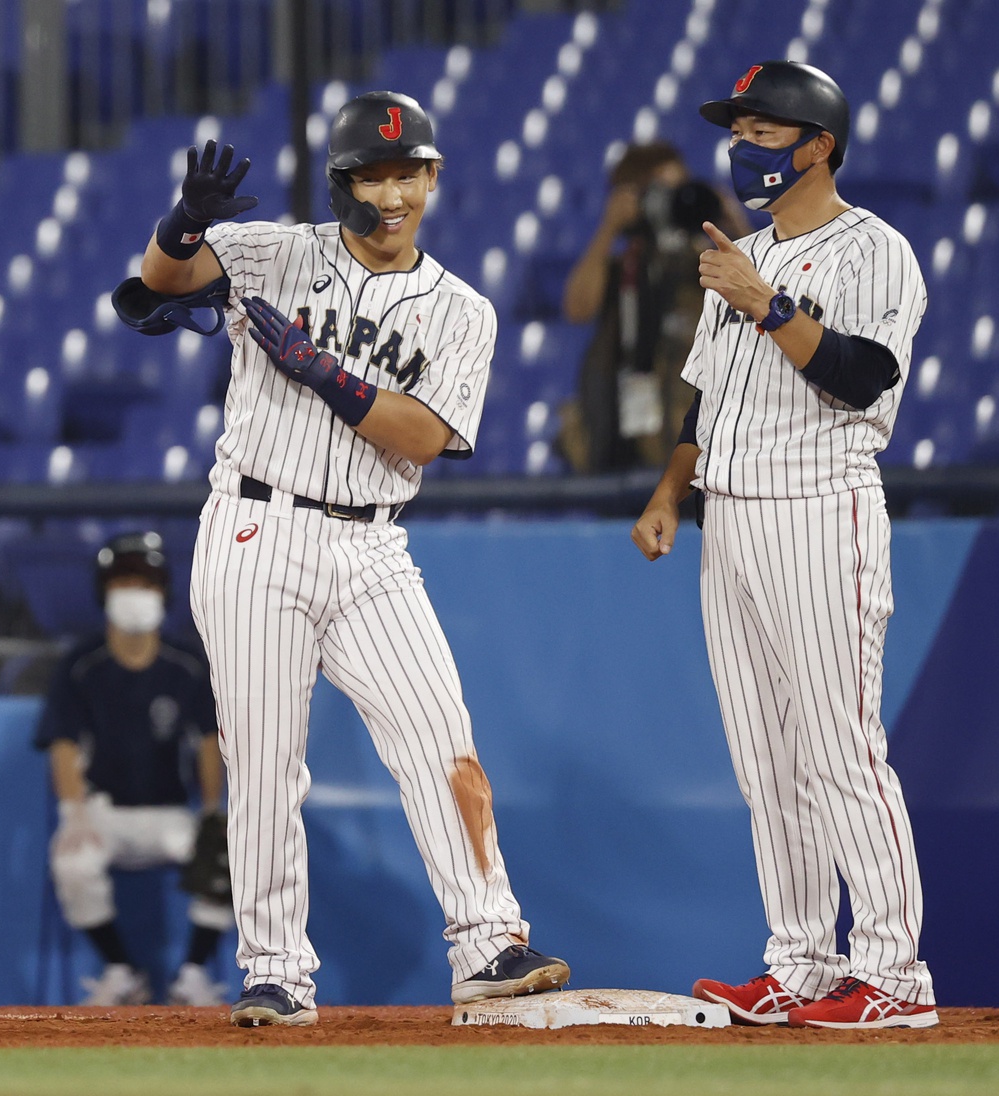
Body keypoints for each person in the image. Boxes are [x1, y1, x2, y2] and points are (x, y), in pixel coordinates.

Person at [129, 90, 569, 1027]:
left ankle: (489, 941)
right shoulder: (277, 252)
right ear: (344, 183)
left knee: (440, 738)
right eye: (374, 174)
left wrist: (326, 371)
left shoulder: (461, 311)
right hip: (256, 527)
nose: (393, 191)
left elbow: (419, 437)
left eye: (409, 172)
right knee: (264, 765)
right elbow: (158, 284)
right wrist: (185, 221)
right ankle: (276, 970)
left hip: (372, 540)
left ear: (434, 177)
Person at [631, 61, 937, 1030]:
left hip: (819, 505)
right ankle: (801, 961)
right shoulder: (744, 253)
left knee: (842, 748)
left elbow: (860, 376)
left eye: (766, 130)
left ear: (819, 144)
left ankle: (892, 971)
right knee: (767, 760)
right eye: (741, 129)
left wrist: (763, 301)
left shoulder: (874, 250)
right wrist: (668, 491)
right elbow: (705, 399)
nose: (745, 144)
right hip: (732, 515)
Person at [35, 531, 233, 1008]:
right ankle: (122, 970)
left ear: (162, 590)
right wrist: (72, 813)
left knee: (234, 858)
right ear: (105, 590)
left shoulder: (185, 664)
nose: (135, 592)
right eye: (124, 581)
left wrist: (211, 811)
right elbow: (62, 743)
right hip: (104, 812)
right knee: (72, 860)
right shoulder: (82, 664)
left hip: (172, 815)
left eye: (145, 581)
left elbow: (208, 740)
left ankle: (192, 974)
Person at [557, 140, 749, 472]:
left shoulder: (705, 266)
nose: (669, 205)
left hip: (699, 447)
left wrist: (732, 226)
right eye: (658, 193)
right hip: (622, 443)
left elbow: (762, 304)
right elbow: (577, 308)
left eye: (678, 192)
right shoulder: (621, 268)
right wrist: (609, 228)